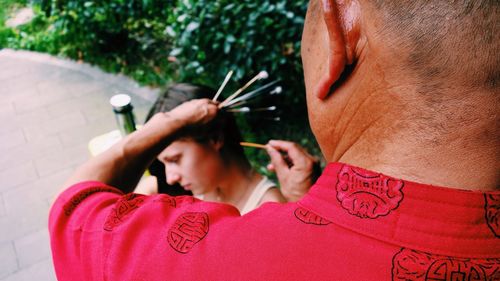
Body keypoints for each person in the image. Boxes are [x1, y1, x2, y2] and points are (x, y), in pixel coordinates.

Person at [49, 0, 499, 280]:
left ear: (342, 25)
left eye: (175, 156)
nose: (169, 175)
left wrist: (168, 121)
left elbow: (75, 212)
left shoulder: (222, 256)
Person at [135, 83, 310, 214]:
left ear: (215, 138)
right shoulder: (166, 190)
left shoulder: (269, 209)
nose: (170, 178)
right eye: (164, 163)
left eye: (174, 160)